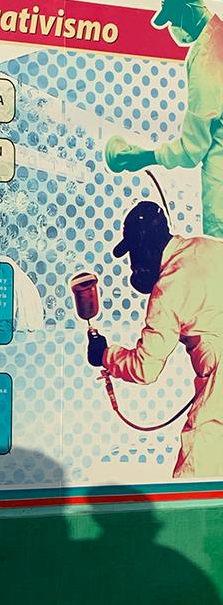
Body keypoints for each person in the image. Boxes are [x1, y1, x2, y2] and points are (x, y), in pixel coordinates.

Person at [88, 200, 223, 477]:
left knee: (194, 481)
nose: (133, 262)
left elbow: (145, 368)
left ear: (145, 248)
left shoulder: (169, 288)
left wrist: (104, 355)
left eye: (134, 253)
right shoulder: (208, 247)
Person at [106, 0, 223, 239]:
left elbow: (192, 149)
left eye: (173, 18)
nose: (173, 27)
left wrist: (142, 157)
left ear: (187, 10)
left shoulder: (206, 59)